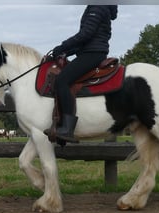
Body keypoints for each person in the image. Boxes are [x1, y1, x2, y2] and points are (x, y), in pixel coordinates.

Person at [48, 5, 118, 143]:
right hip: (91, 52)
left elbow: (86, 34)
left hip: (92, 54)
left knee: (62, 80)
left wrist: (62, 46)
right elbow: (85, 41)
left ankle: (67, 129)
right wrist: (65, 52)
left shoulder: (97, 7)